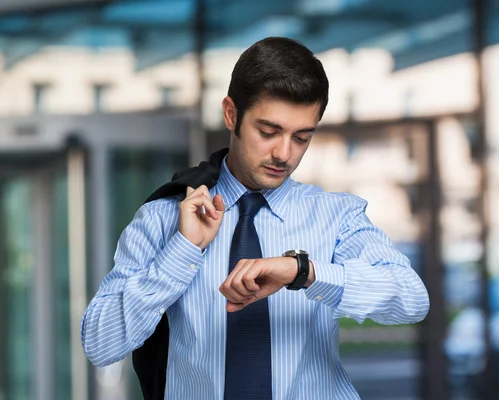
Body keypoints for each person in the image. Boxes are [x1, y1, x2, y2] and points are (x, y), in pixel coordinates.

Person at [81, 37, 430, 399]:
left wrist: (303, 272)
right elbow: (100, 344)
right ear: (231, 114)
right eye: (269, 132)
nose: (284, 153)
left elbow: (411, 300)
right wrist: (182, 250)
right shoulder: (161, 219)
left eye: (301, 137)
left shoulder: (336, 216)